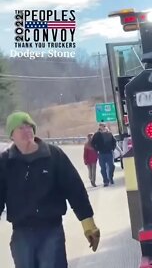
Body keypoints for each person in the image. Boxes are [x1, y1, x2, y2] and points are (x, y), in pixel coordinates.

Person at [0, 111, 100, 268]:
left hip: (51, 229)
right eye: (20, 128)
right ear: (12, 135)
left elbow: (75, 189)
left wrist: (88, 224)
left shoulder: (53, 155)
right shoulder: (5, 162)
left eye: (29, 126)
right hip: (21, 232)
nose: (26, 130)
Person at [91, 122, 116, 187]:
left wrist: (112, 148)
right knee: (103, 168)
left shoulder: (109, 134)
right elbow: (92, 143)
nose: (102, 127)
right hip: (101, 153)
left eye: (103, 126)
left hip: (109, 153)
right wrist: (96, 149)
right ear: (99, 127)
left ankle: (110, 177)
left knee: (112, 166)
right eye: (101, 126)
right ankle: (105, 181)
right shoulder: (97, 135)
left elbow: (114, 142)